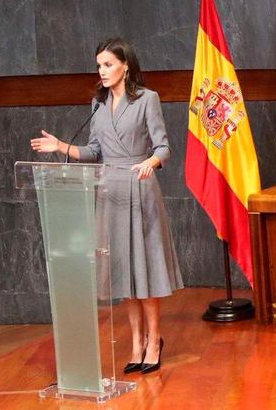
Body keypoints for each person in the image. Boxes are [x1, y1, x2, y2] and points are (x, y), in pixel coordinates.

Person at [30, 37, 183, 375]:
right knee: (123, 274)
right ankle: (136, 344)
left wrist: (151, 163)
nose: (102, 71)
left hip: (139, 188)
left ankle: (155, 340)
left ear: (125, 65)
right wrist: (61, 147)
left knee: (144, 271)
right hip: (109, 193)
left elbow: (164, 147)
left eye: (108, 64)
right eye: (99, 65)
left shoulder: (147, 99)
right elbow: (94, 151)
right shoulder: (98, 105)